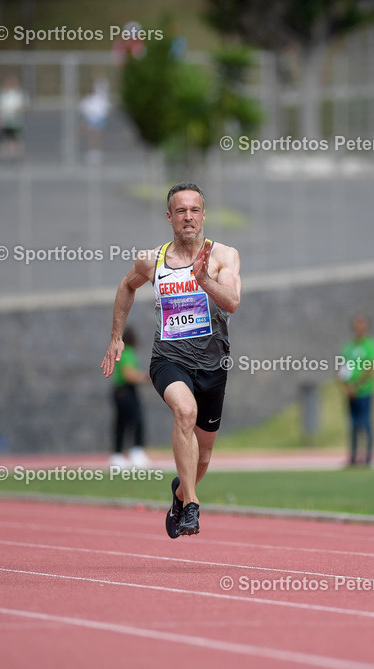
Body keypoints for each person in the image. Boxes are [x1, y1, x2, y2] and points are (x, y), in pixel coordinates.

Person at [101, 182, 241, 538]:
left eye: (194, 210)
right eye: (181, 211)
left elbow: (232, 301)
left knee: (203, 457)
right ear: (170, 217)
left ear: (204, 215)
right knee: (185, 411)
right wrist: (116, 336)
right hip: (169, 359)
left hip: (212, 365)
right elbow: (126, 286)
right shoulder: (152, 260)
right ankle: (192, 505)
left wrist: (203, 280)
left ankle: (180, 495)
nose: (188, 217)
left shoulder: (224, 256)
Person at [339, 316, 374, 466]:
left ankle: (368, 457)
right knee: (352, 424)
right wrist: (346, 386)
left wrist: (357, 385)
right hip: (350, 392)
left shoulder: (369, 345)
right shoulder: (349, 346)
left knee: (365, 422)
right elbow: (342, 367)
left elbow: (371, 368)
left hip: (365, 391)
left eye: (362, 327)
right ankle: (353, 457)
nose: (359, 330)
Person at [110, 327, 150, 468]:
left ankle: (117, 454)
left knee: (121, 423)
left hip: (120, 390)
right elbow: (129, 375)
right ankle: (136, 452)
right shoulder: (127, 353)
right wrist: (147, 378)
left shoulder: (122, 352)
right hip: (126, 390)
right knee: (136, 420)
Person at [0, 75, 27, 160]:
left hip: (16, 122)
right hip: (4, 121)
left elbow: (24, 107)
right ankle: (5, 159)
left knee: (16, 140)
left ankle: (16, 158)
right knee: (4, 140)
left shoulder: (20, 94)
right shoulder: (0, 93)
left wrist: (17, 111)